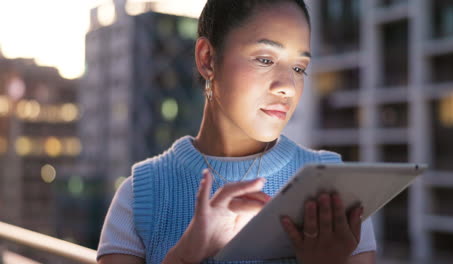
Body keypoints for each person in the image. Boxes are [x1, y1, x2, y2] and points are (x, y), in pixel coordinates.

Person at [97, 0, 377, 263]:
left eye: (298, 67)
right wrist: (185, 254)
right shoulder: (141, 194)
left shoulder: (333, 191)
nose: (289, 87)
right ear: (207, 59)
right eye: (265, 59)